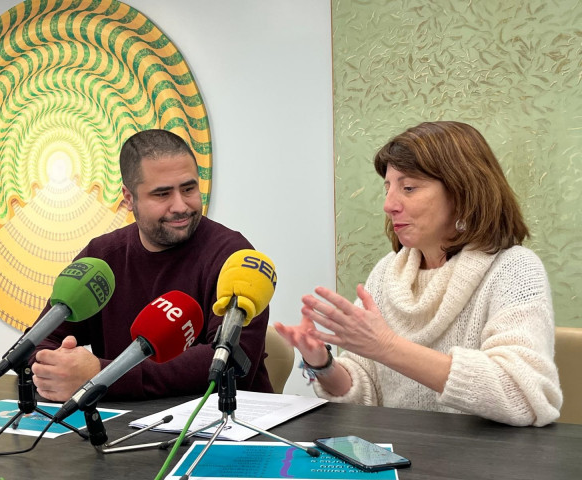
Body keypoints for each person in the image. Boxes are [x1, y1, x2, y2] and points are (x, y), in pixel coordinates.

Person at [275, 121, 562, 427]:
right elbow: (366, 394)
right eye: (388, 188)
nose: (388, 205)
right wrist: (322, 363)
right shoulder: (388, 271)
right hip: (398, 455)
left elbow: (523, 396)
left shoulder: (513, 268)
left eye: (408, 188)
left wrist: (387, 347)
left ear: (463, 191)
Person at [30, 129, 273, 401]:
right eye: (162, 194)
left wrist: (102, 376)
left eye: (189, 188)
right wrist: (57, 369)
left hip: (224, 429)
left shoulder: (234, 256)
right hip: (120, 424)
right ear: (129, 197)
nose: (181, 206)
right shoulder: (102, 255)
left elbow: (228, 361)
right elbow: (38, 340)